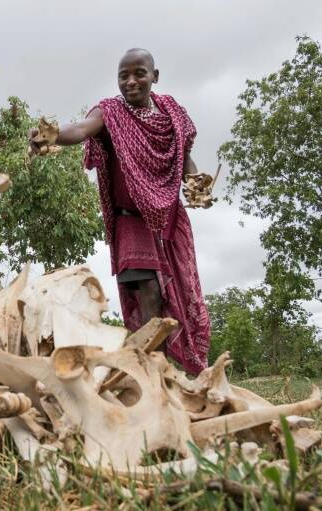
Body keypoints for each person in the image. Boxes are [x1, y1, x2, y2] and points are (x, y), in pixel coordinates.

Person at [29, 48, 210, 374]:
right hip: (131, 222)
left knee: (180, 299)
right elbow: (82, 129)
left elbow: (184, 158)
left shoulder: (172, 114)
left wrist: (196, 184)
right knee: (151, 296)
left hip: (168, 220)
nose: (130, 81)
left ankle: (165, 374)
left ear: (155, 75)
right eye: (123, 76)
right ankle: (149, 374)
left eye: (139, 73)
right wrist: (54, 135)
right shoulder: (110, 113)